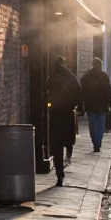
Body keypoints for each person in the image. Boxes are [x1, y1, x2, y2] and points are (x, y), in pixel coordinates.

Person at [45, 56, 82, 186]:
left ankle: (59, 174)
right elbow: (78, 93)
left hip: (55, 114)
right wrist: (76, 106)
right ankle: (68, 157)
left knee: (57, 145)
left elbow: (45, 93)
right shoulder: (71, 77)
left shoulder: (52, 77)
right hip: (67, 113)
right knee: (68, 139)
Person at [80, 59, 111, 153]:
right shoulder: (104, 76)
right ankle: (98, 143)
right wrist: (110, 103)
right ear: (100, 65)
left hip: (90, 104)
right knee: (100, 125)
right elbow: (108, 91)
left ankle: (95, 142)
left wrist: (82, 103)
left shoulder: (85, 77)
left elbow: (82, 92)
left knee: (92, 126)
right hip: (102, 105)